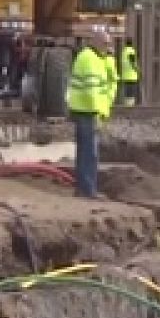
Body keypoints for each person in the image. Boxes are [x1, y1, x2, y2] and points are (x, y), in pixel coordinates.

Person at [67, 35, 112, 199]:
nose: (108, 47)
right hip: (88, 111)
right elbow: (92, 90)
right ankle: (87, 190)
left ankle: (84, 188)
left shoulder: (92, 57)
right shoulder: (90, 59)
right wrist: (98, 114)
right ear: (96, 42)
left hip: (85, 110)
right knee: (89, 153)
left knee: (86, 151)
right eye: (106, 44)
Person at [118, 38, 141, 107]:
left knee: (126, 91)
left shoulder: (123, 52)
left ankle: (126, 104)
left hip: (125, 75)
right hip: (132, 75)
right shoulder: (131, 51)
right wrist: (138, 70)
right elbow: (133, 62)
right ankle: (130, 105)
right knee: (131, 91)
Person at [99, 41, 121, 111]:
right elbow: (112, 71)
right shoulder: (110, 60)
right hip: (110, 84)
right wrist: (116, 78)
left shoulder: (103, 59)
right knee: (109, 99)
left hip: (104, 83)